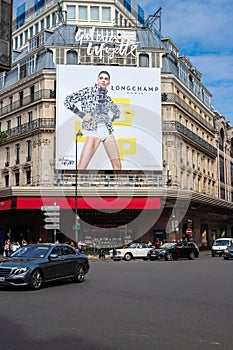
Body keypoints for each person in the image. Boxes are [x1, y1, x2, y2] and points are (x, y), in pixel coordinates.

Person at [64, 71, 122, 170]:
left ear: (109, 83)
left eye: (106, 79)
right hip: (93, 130)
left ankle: (117, 185)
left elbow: (117, 112)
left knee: (118, 167)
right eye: (101, 78)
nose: (103, 80)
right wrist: (82, 114)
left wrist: (109, 119)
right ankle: (77, 185)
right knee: (81, 167)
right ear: (98, 80)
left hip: (107, 132)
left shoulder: (108, 99)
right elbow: (68, 101)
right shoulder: (88, 92)